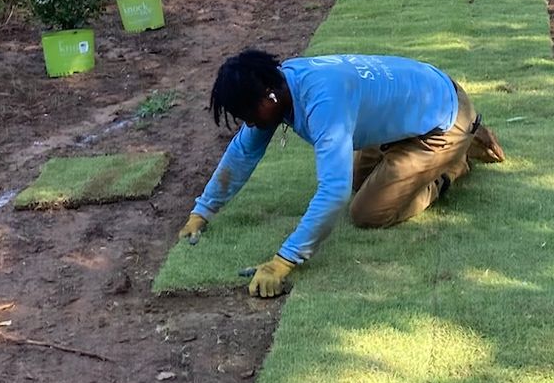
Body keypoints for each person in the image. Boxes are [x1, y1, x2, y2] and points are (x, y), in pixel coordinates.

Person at [178, 49, 505, 297]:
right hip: (420, 103)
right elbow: (242, 151)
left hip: (441, 120)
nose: (248, 122)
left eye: (248, 113)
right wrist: (202, 211)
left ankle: (455, 160)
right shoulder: (281, 85)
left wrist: (284, 260)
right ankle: (461, 136)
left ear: (270, 95)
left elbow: (333, 191)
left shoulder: (321, 100)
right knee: (362, 183)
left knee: (368, 211)